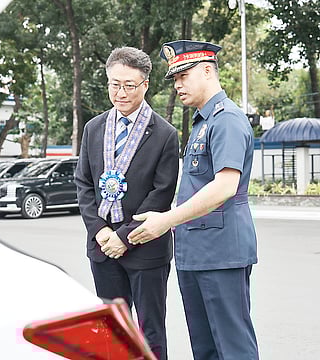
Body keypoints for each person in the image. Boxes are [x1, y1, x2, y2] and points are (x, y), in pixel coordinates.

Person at [128, 40, 259, 359]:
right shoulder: (203, 122)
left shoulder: (226, 118)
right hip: (197, 253)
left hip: (221, 253)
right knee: (206, 348)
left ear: (207, 71)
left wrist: (166, 220)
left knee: (232, 346)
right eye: (174, 78)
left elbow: (225, 186)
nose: (177, 85)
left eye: (183, 76)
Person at [75, 46, 179, 359]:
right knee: (110, 330)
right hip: (102, 247)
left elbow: (162, 193)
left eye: (129, 86)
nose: (120, 93)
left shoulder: (164, 134)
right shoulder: (94, 128)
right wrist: (101, 231)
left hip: (146, 248)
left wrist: (123, 237)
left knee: (150, 332)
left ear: (145, 85)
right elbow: (83, 183)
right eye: (114, 84)